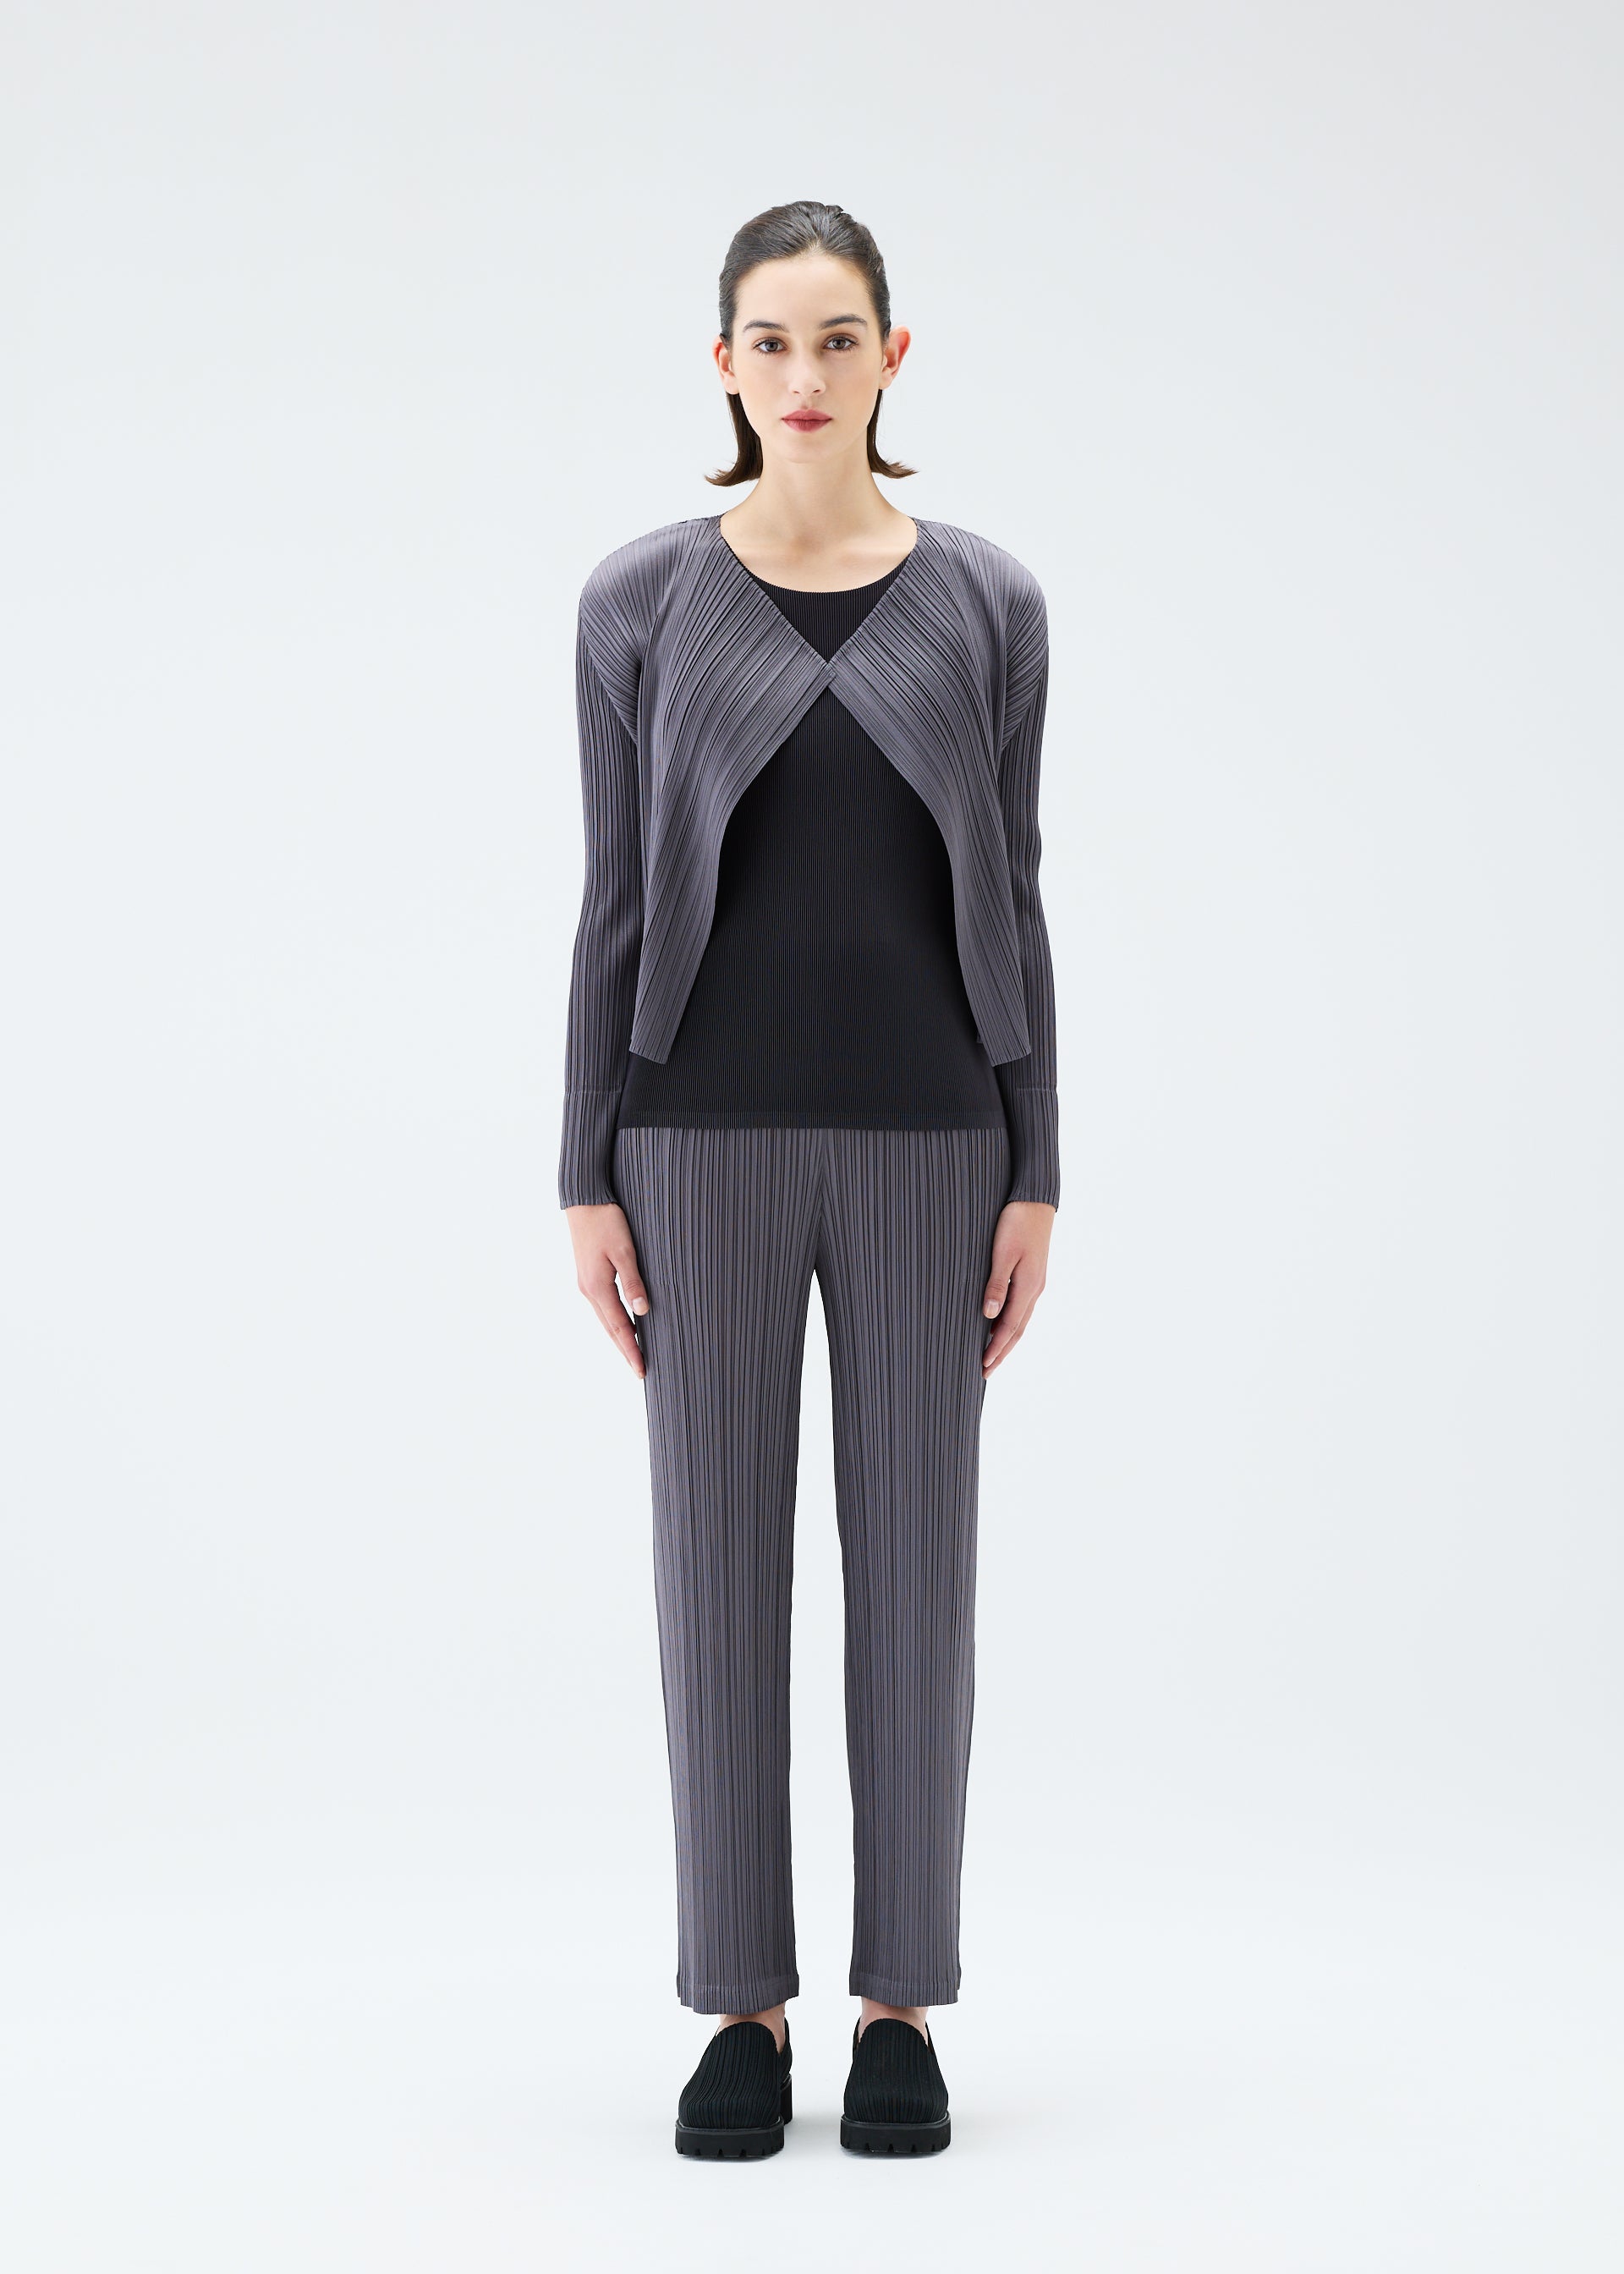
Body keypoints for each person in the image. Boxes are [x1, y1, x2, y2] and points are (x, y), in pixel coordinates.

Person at [558, 200, 1060, 2160]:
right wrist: (584, 1172)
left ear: (892, 357)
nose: (804, 374)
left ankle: (901, 2002)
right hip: (693, 1146)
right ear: (723, 364)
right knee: (715, 1573)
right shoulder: (639, 602)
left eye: (839, 338)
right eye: (769, 341)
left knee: (920, 1570)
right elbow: (612, 902)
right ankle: (742, 2011)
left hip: (939, 1142)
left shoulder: (989, 602)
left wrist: (1038, 1165)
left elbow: (1014, 895)